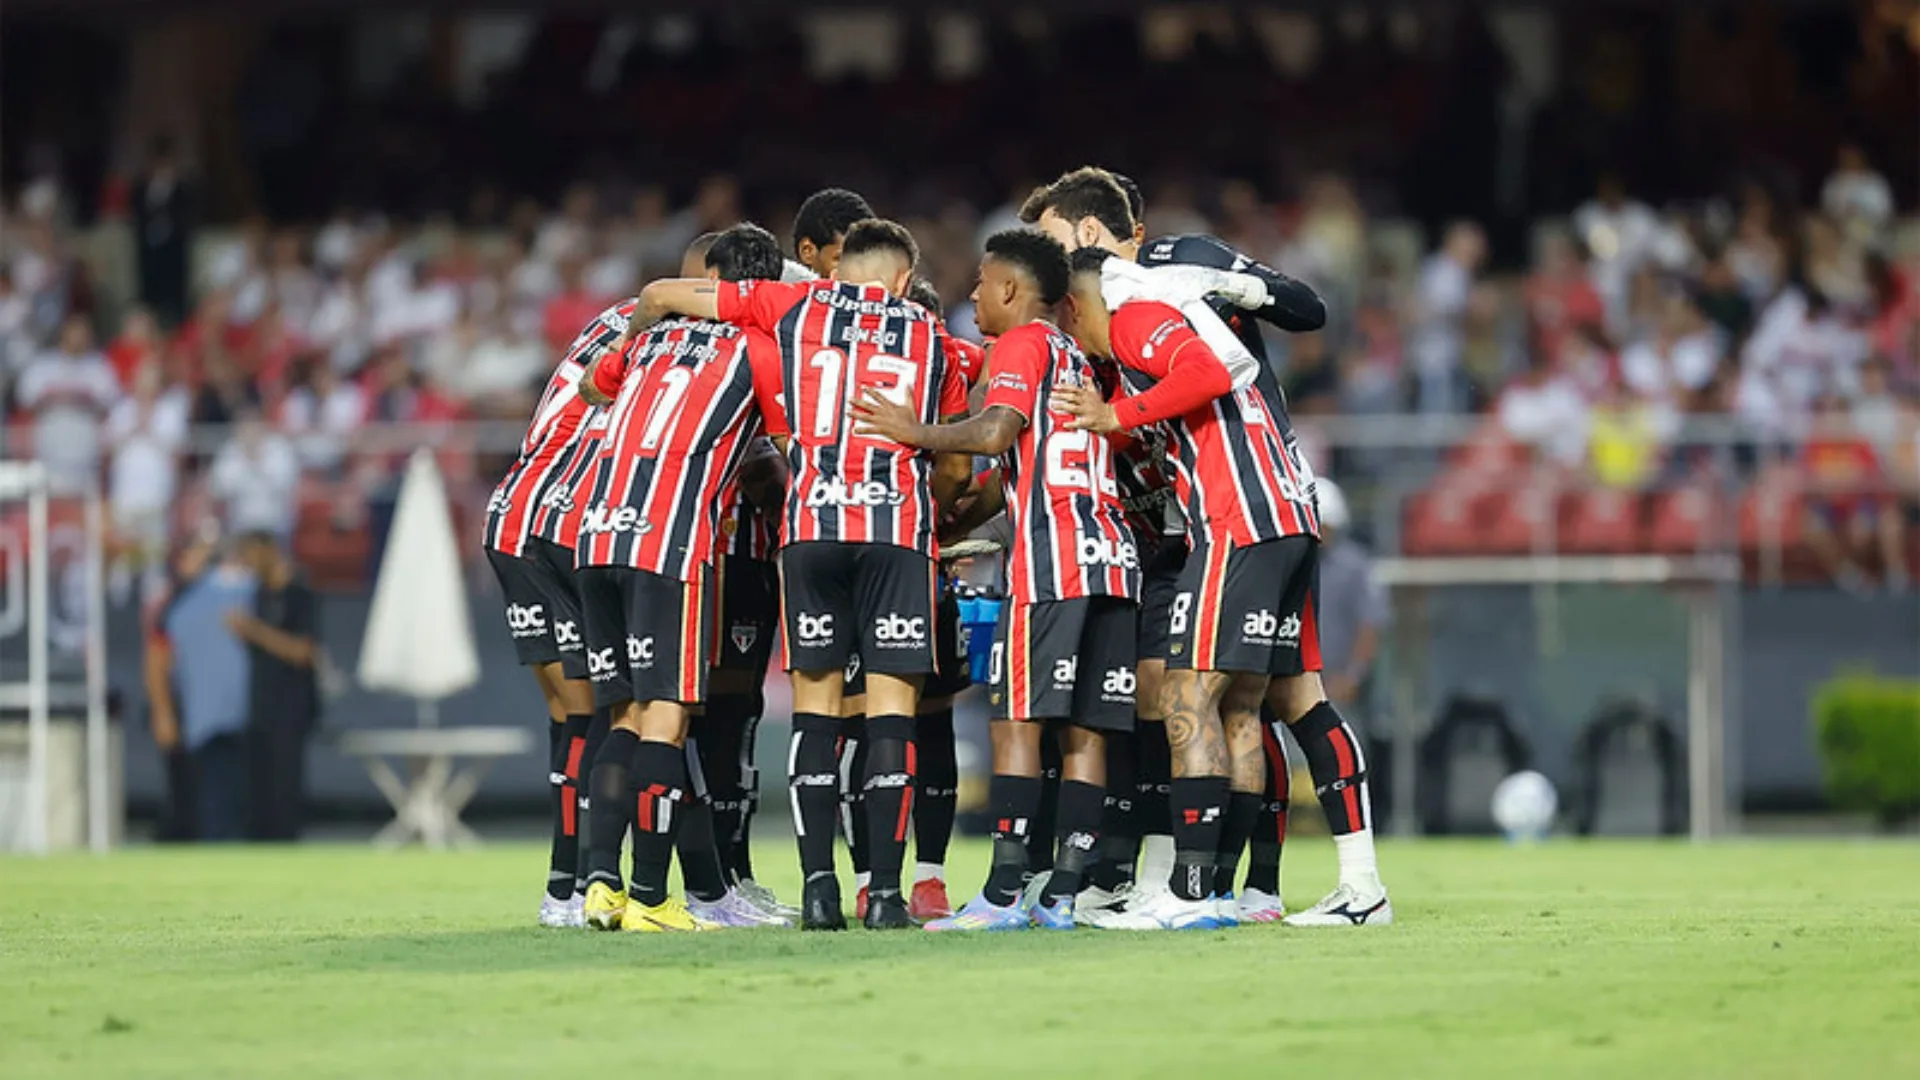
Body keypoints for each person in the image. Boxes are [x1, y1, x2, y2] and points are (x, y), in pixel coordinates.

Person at [634, 219, 973, 930]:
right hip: (894, 537)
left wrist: (633, 342)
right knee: (890, 719)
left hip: (811, 532)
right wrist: (927, 513)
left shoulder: (795, 306)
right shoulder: (937, 343)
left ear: (838, 272)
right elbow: (957, 464)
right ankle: (883, 893)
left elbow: (667, 292)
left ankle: (818, 889)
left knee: (814, 714)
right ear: (905, 280)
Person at [1058, 245, 1391, 929]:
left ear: (1074, 305)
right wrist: (1115, 417)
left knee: (1188, 693)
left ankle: (1187, 892)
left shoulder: (1135, 316)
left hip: (1241, 516)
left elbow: (1209, 372)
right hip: (1284, 513)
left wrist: (1117, 416)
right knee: (1243, 707)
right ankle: (1233, 892)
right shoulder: (1154, 320)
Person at [856, 229, 1138, 931]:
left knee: (1016, 721)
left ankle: (1005, 894)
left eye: (982, 283)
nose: (974, 296)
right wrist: (951, 524)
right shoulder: (1078, 357)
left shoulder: (1022, 345)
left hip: (1051, 565)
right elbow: (1020, 467)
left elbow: (994, 434)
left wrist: (910, 429)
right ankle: (1063, 894)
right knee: (1085, 735)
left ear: (1011, 289)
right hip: (1112, 558)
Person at [573, 223, 790, 933]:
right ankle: (652, 900)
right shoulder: (762, 346)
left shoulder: (647, 337)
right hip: (670, 542)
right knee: (667, 721)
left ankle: (599, 888)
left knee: (624, 717)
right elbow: (792, 442)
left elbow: (589, 385)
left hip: (599, 533)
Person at [481, 293, 623, 928]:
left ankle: (562, 885)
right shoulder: (674, 341)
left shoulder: (611, 323)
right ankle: (582, 882)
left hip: (515, 509)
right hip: (560, 522)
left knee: (567, 716)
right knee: (592, 714)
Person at [153, 540, 257, 841]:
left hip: (238, 713)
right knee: (207, 795)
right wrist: (163, 712)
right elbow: (157, 658)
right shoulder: (175, 604)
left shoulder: (238, 591)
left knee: (235, 793)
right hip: (198, 714)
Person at [229, 533, 320, 841]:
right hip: (258, 708)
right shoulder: (257, 595)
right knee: (257, 793)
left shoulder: (298, 595)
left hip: (290, 710)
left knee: (284, 792)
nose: (249, 563)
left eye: (253, 554)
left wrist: (255, 632)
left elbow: (303, 651)